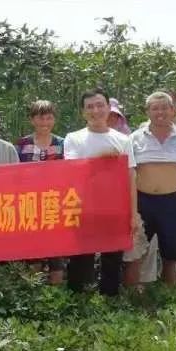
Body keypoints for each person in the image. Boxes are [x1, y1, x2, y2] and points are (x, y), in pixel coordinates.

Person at [63, 88, 142, 297]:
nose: (95, 111)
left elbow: (131, 177)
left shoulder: (123, 140)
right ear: (82, 112)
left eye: (100, 105)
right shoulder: (73, 138)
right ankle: (76, 301)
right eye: (90, 107)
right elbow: (73, 171)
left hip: (114, 208)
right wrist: (102, 157)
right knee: (81, 257)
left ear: (109, 108)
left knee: (112, 258)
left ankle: (110, 301)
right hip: (84, 208)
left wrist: (133, 214)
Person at [124, 92, 176, 287]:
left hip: (174, 202)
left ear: (173, 110)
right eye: (155, 108)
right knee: (134, 253)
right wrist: (131, 211)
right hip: (142, 201)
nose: (160, 112)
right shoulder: (133, 139)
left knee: (172, 254)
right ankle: (132, 301)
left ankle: (170, 298)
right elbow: (128, 176)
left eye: (165, 107)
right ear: (147, 112)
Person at [13, 101, 66, 284]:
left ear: (54, 119)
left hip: (55, 204)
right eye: (40, 117)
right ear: (32, 119)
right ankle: (34, 297)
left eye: (49, 117)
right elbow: (13, 174)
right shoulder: (22, 144)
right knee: (32, 251)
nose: (45, 122)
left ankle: (57, 298)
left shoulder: (63, 143)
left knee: (56, 253)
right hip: (29, 204)